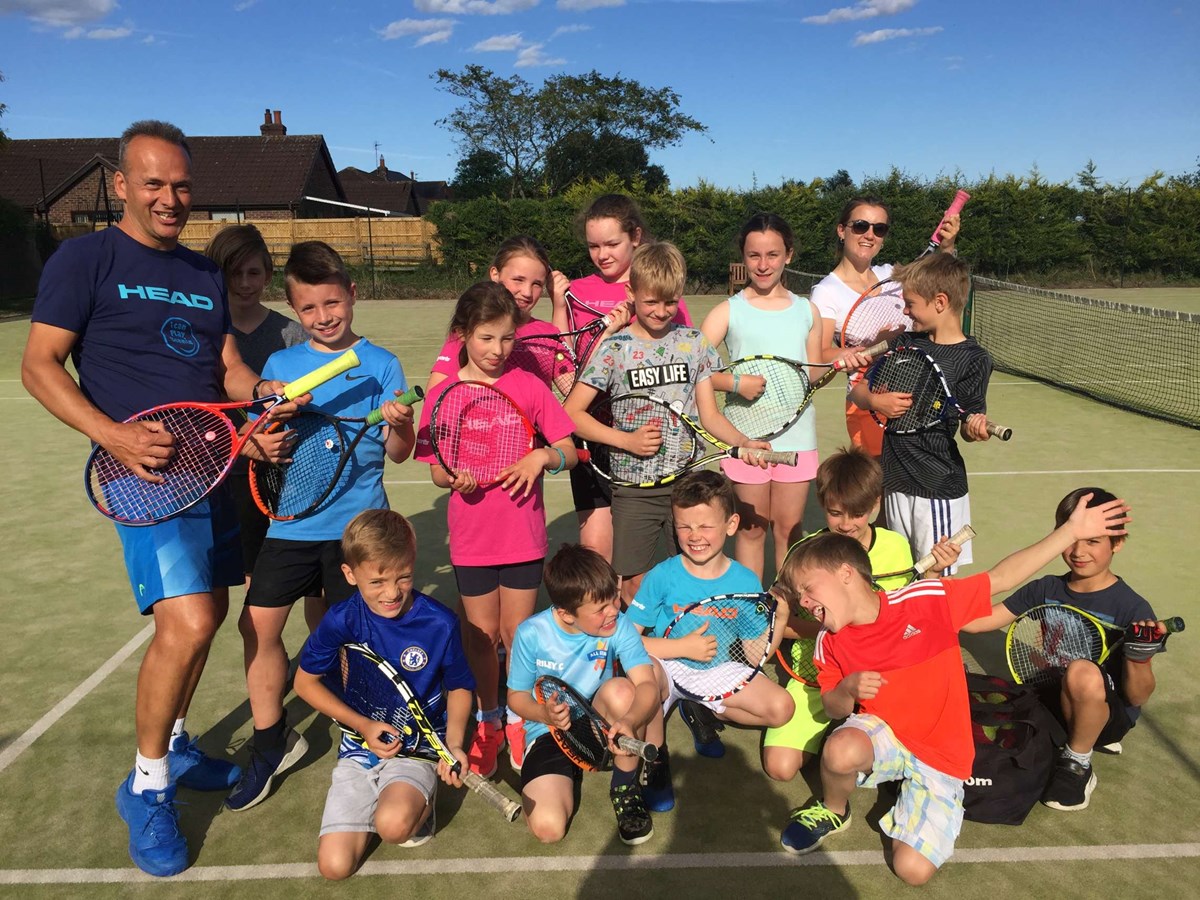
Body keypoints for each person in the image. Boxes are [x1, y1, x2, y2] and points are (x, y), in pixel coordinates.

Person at [20, 120, 299, 877]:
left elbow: (228, 368)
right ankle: (145, 788)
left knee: (204, 624)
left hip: (211, 468)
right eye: (154, 183)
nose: (170, 198)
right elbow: (40, 366)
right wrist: (112, 436)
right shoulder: (86, 258)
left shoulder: (203, 275)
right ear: (120, 184)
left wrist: (261, 391)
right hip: (141, 478)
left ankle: (175, 745)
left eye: (180, 185)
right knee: (192, 619)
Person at [771, 493, 1131, 884]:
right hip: (885, 735)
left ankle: (910, 792)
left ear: (845, 574)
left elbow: (1002, 577)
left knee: (913, 871)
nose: (804, 603)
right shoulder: (829, 640)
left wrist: (1070, 531)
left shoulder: (926, 600)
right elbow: (835, 708)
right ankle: (833, 808)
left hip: (943, 754)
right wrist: (848, 688)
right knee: (841, 750)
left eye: (807, 589)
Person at [226, 241, 418, 812]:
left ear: (352, 295)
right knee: (256, 628)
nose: (323, 317)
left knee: (356, 641)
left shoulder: (382, 364)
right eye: (308, 309)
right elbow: (257, 439)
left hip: (357, 532)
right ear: (294, 309)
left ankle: (362, 738)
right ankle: (269, 742)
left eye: (332, 303)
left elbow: (401, 453)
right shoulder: (281, 367)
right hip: (291, 526)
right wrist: (263, 441)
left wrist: (400, 422)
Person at [414, 282, 581, 778]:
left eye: (507, 339)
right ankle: (489, 717)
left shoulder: (528, 385)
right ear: (463, 334)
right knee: (483, 636)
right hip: (472, 540)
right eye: (486, 338)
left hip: (522, 536)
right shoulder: (443, 393)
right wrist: (453, 476)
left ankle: (519, 717)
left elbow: (570, 450)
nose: (497, 350)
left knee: (519, 633)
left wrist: (543, 455)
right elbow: (436, 469)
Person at [564, 240, 772, 609]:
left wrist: (744, 442)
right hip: (633, 489)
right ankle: (649, 655)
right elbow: (572, 415)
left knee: (694, 572)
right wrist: (625, 441)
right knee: (634, 587)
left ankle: (691, 651)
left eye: (671, 302)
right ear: (631, 293)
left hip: (687, 485)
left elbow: (710, 416)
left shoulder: (694, 344)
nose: (661, 312)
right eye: (651, 302)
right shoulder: (614, 348)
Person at [293, 510, 475, 880]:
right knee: (334, 867)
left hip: (420, 748)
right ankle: (390, 799)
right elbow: (304, 683)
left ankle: (417, 807)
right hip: (360, 746)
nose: (392, 592)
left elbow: (460, 686)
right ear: (349, 574)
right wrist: (362, 725)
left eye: (403, 576)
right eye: (377, 581)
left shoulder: (440, 622)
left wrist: (454, 743)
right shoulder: (341, 619)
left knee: (394, 827)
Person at [962, 487, 1168, 812]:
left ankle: (1078, 764)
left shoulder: (1132, 608)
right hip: (1051, 700)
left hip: (1107, 712)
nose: (1078, 551)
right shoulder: (1047, 588)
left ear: (1118, 543)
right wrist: (933, 593)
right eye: (1070, 538)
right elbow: (977, 621)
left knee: (1081, 672)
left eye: (1093, 541)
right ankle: (1070, 736)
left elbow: (1138, 696)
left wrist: (1139, 657)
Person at [762, 446, 959, 784]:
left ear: (876, 505)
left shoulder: (896, 547)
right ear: (823, 507)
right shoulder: (803, 554)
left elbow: (911, 611)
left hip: (882, 676)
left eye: (857, 513)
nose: (847, 524)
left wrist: (933, 575)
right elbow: (783, 623)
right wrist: (832, 633)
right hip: (817, 674)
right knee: (780, 768)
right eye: (836, 513)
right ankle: (833, 734)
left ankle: (849, 743)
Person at [701, 213, 869, 580]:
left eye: (773, 255)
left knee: (789, 532)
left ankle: (786, 612)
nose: (763, 265)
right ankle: (752, 610)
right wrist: (735, 383)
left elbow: (811, 373)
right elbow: (692, 367)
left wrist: (841, 361)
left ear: (788, 255)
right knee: (751, 530)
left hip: (797, 438)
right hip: (745, 438)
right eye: (754, 255)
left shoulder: (806, 311)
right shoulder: (728, 310)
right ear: (743, 258)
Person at [628, 471, 794, 781]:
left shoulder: (745, 580)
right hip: (664, 666)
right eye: (684, 526)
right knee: (641, 683)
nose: (695, 536)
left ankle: (703, 705)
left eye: (705, 525)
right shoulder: (662, 575)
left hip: (718, 672)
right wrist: (681, 648)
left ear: (731, 525)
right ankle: (657, 763)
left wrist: (780, 619)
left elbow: (754, 654)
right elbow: (626, 640)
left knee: (781, 708)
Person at [555, 194, 693, 564]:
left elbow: (686, 365)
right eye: (593, 246)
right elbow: (564, 357)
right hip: (594, 436)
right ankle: (607, 621)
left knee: (659, 557)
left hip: (652, 443)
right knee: (600, 551)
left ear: (636, 236)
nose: (602, 254)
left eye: (612, 243)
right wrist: (567, 379)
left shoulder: (660, 290)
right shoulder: (576, 293)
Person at [506, 544, 663, 846]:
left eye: (614, 599)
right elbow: (516, 696)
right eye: (600, 608)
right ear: (565, 614)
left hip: (600, 723)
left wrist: (630, 720)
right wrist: (544, 714)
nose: (613, 611)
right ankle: (562, 772)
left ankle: (624, 787)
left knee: (622, 690)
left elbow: (646, 684)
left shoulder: (617, 623)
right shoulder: (531, 633)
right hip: (551, 730)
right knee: (549, 829)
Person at [848, 253, 993, 571]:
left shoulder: (973, 358)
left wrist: (976, 429)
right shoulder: (904, 342)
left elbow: (968, 423)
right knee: (901, 571)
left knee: (936, 576)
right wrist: (875, 402)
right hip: (895, 481)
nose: (906, 310)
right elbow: (858, 392)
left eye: (911, 303)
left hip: (936, 486)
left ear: (940, 302)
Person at [203, 225, 308, 594]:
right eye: (235, 273)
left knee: (307, 585)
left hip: (285, 473)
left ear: (267, 273)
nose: (246, 283)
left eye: (254, 272)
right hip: (221, 473)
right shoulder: (204, 332)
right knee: (226, 586)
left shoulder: (293, 334)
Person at [811, 196, 960, 458]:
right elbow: (821, 356)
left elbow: (940, 289)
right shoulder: (826, 292)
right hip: (868, 401)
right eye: (860, 226)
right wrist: (868, 348)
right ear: (841, 230)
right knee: (878, 488)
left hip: (917, 392)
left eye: (879, 229)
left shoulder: (894, 275)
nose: (869, 234)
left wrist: (947, 248)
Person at [426, 235, 572, 395]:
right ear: (495, 274)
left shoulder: (548, 334)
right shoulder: (473, 327)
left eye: (537, 284)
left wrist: (559, 305)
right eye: (518, 279)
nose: (527, 292)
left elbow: (573, 392)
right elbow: (435, 395)